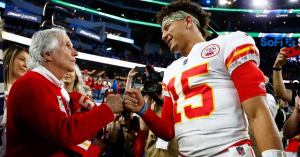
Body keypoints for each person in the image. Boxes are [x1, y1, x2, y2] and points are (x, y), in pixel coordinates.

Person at [124, 1, 284, 156]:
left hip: (229, 151)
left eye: (167, 27)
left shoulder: (227, 44)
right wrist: (143, 110)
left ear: (188, 21)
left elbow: (257, 112)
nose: (164, 35)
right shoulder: (171, 70)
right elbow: (168, 130)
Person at [6, 28, 123, 156]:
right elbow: (63, 134)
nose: (75, 52)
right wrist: (107, 109)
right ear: (47, 54)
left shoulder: (50, 85)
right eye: (67, 46)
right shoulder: (31, 84)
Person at [1, 45, 29, 156]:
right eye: (22, 59)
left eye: (28, 61)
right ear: (9, 59)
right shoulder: (1, 87)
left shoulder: (27, 93)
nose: (26, 65)